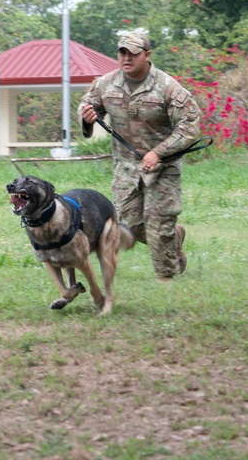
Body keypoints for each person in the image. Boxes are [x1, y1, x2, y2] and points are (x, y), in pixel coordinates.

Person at [78, 30, 201, 281]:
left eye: (133, 53)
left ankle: (168, 278)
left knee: (158, 225)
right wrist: (88, 116)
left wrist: (158, 152)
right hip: (126, 168)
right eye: (122, 52)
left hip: (163, 168)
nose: (127, 58)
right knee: (130, 227)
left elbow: (190, 126)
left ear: (147, 55)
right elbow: (87, 104)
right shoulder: (106, 83)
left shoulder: (168, 87)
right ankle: (173, 237)